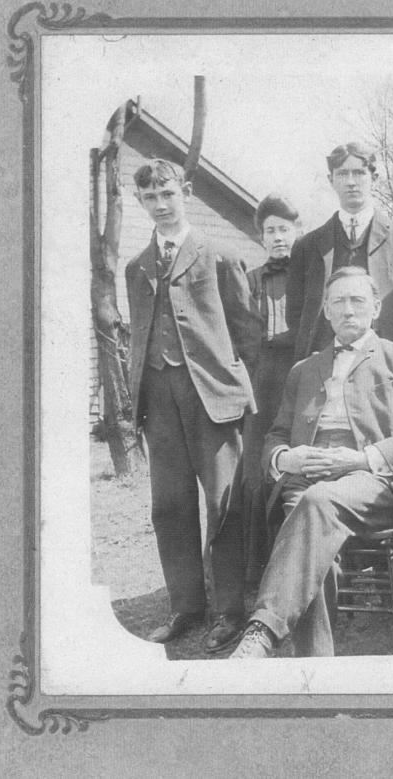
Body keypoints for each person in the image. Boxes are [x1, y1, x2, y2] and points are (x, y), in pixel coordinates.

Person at [229, 267, 393, 658]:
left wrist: (360, 459)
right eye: (338, 302)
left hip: (376, 481)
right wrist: (284, 457)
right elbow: (275, 434)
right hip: (307, 480)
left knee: (314, 506)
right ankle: (317, 666)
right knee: (311, 534)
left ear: (376, 308)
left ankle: (263, 628)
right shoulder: (303, 370)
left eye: (357, 301)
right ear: (325, 311)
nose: (348, 310)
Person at [124, 158, 260, 651]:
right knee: (169, 506)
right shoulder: (135, 267)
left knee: (223, 504)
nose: (161, 206)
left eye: (168, 195)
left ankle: (228, 611)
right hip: (157, 399)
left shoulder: (219, 256)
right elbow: (138, 338)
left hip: (213, 397)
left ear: (185, 193)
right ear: (141, 201)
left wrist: (246, 399)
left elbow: (248, 336)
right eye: (150, 198)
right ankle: (186, 606)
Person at [286, 141, 393, 362]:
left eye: (359, 173)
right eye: (342, 174)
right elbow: (295, 316)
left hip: (386, 366)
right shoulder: (307, 246)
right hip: (323, 364)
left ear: (375, 179)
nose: (351, 182)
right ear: (331, 180)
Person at [241, 194, 303, 585]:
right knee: (257, 470)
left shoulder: (310, 274)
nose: (278, 237)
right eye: (270, 230)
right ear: (261, 236)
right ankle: (258, 569)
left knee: (297, 464)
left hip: (301, 373)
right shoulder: (250, 279)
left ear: (296, 230)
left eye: (284, 228)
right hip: (262, 379)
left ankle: (297, 563)